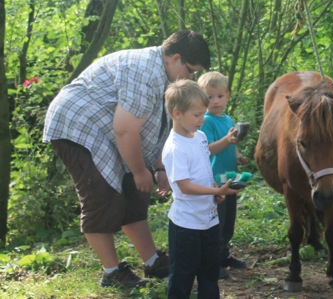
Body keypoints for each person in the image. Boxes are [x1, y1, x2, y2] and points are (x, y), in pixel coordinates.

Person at [43, 30, 211, 288]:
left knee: (134, 193)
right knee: (101, 194)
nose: (192, 77)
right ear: (176, 58)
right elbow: (125, 129)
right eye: (191, 70)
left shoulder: (164, 75)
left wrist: (157, 167)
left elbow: (155, 127)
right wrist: (140, 171)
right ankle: (112, 272)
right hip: (78, 126)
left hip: (108, 130)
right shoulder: (143, 71)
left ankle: (153, 261)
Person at [162, 79, 241, 299]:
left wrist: (216, 189)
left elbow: (205, 169)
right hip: (186, 225)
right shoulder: (176, 147)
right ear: (177, 113)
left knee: (209, 273)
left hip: (209, 220)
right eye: (197, 115)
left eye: (202, 114)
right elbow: (185, 186)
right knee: (182, 276)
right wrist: (216, 192)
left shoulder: (200, 137)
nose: (202, 119)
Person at [197, 71, 249, 279]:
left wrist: (237, 156)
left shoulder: (228, 119)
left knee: (228, 222)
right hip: (214, 180)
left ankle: (224, 255)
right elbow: (208, 149)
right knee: (216, 222)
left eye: (219, 96)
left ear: (227, 95)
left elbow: (231, 145)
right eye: (209, 97)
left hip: (230, 178)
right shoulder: (206, 121)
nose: (215, 101)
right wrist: (227, 141)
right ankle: (211, 261)